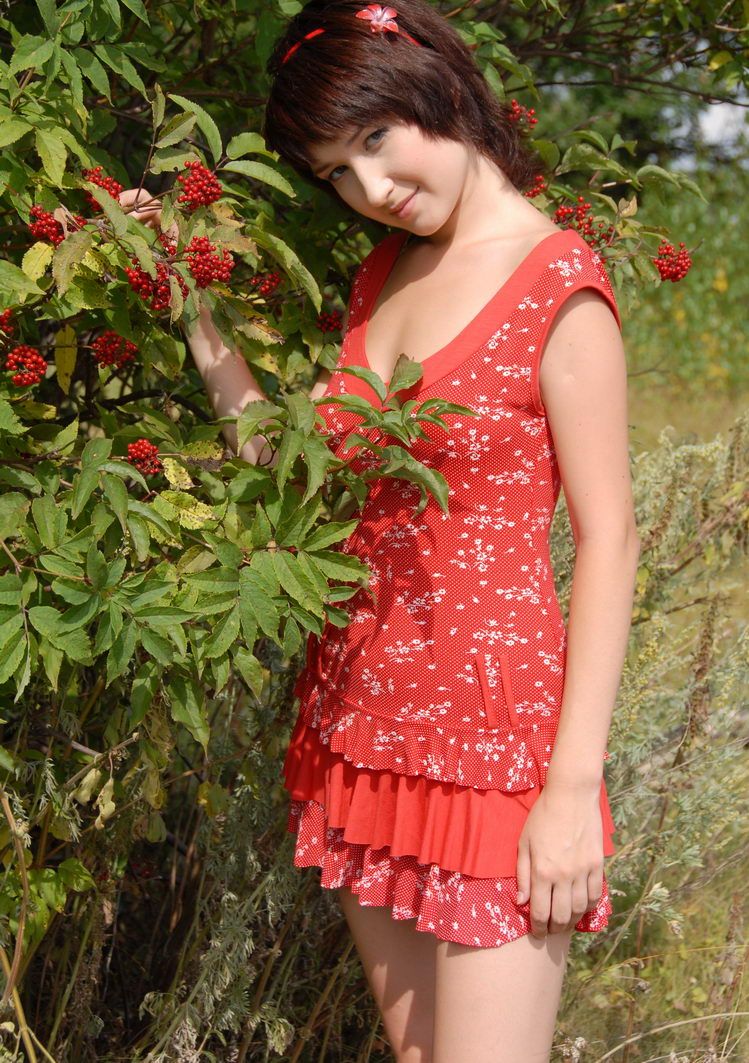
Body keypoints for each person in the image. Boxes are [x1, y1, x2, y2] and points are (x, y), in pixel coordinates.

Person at [123, 2, 640, 1057]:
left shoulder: (557, 285)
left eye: (372, 141)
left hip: (500, 757)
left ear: (436, 85)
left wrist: (570, 789)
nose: (371, 190)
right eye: (337, 174)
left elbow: (611, 539)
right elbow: (294, 470)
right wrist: (188, 295)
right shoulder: (384, 275)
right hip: (358, 728)